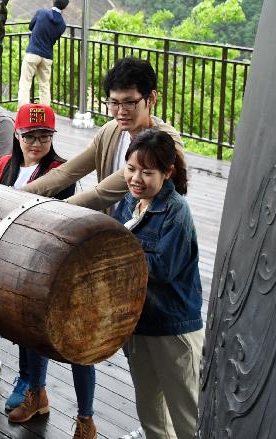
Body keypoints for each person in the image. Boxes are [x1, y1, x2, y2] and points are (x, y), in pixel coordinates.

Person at [0, 104, 96, 438]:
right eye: (29, 136)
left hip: (54, 264)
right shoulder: (4, 165)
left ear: (52, 138)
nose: (36, 143)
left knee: (79, 343)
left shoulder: (61, 172)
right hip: (16, 260)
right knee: (26, 329)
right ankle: (37, 391)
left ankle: (86, 418)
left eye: (43, 137)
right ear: (17, 136)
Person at [114, 129, 203, 439]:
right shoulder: (128, 202)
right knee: (151, 414)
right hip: (139, 325)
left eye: (147, 172)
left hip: (173, 328)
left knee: (188, 416)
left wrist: (115, 257)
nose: (136, 178)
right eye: (131, 168)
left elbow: (162, 269)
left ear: (167, 173)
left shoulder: (177, 211)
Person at [22, 57, 183, 212]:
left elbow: (102, 194)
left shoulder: (164, 141)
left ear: (151, 98)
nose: (121, 111)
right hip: (112, 230)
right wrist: (18, 195)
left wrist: (53, 210)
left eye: (129, 102)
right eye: (114, 103)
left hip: (150, 235)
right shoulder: (110, 132)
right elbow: (66, 173)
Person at [16, 0, 69, 107]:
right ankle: (45, 112)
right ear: (65, 7)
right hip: (47, 56)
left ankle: (23, 110)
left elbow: (31, 26)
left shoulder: (41, 13)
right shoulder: (62, 25)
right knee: (44, 85)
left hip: (33, 52)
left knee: (25, 83)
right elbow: (54, 38)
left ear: (53, 1)